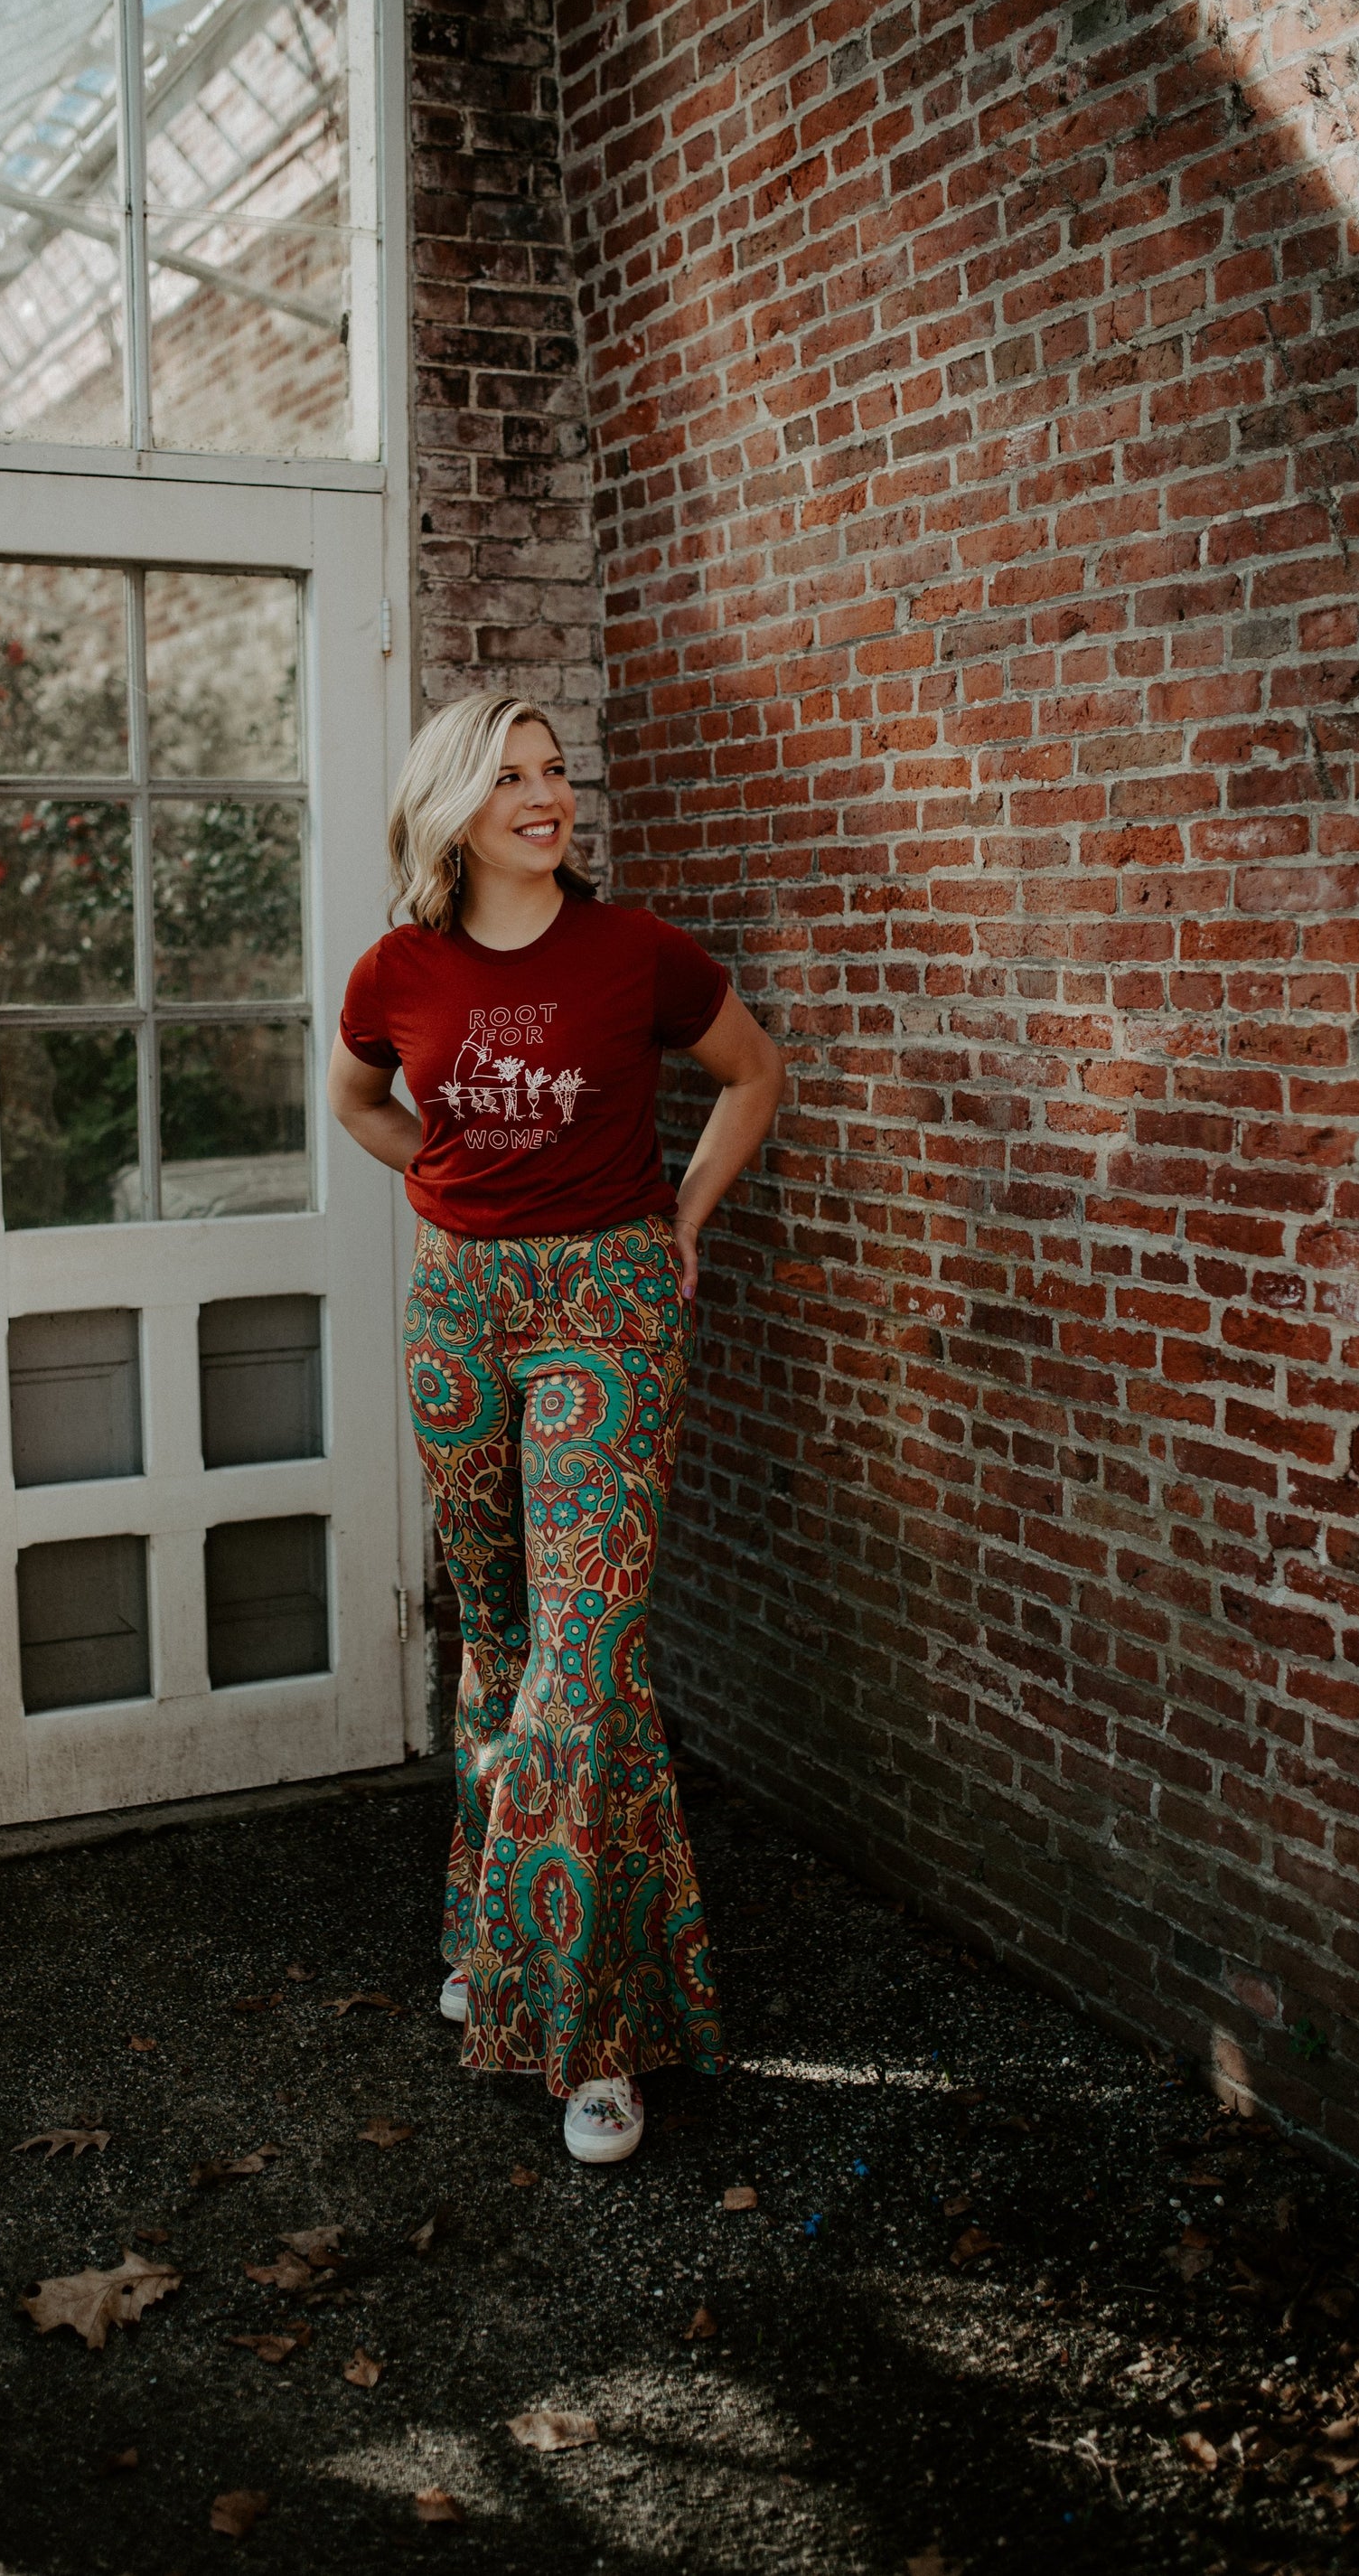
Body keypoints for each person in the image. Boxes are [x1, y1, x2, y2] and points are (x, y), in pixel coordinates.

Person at [327, 694, 783, 2163]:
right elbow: (359, 1103)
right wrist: (450, 1188)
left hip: (611, 1299)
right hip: (460, 1307)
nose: (545, 798)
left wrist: (685, 1221)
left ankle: (589, 2031)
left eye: (554, 773)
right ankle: (484, 1924)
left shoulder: (636, 952)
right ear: (453, 807)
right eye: (510, 777)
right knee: (499, 1631)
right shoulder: (397, 968)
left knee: (582, 1660)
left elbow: (750, 1073)